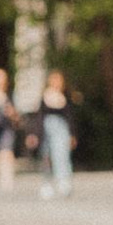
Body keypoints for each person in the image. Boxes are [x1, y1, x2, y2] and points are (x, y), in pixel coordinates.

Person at [37, 66, 75, 201]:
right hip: (46, 130)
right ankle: (47, 183)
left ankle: (63, 181)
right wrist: (35, 134)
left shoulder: (66, 97)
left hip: (62, 130)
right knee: (46, 156)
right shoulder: (45, 96)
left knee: (62, 155)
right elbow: (40, 117)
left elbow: (70, 117)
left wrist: (72, 134)